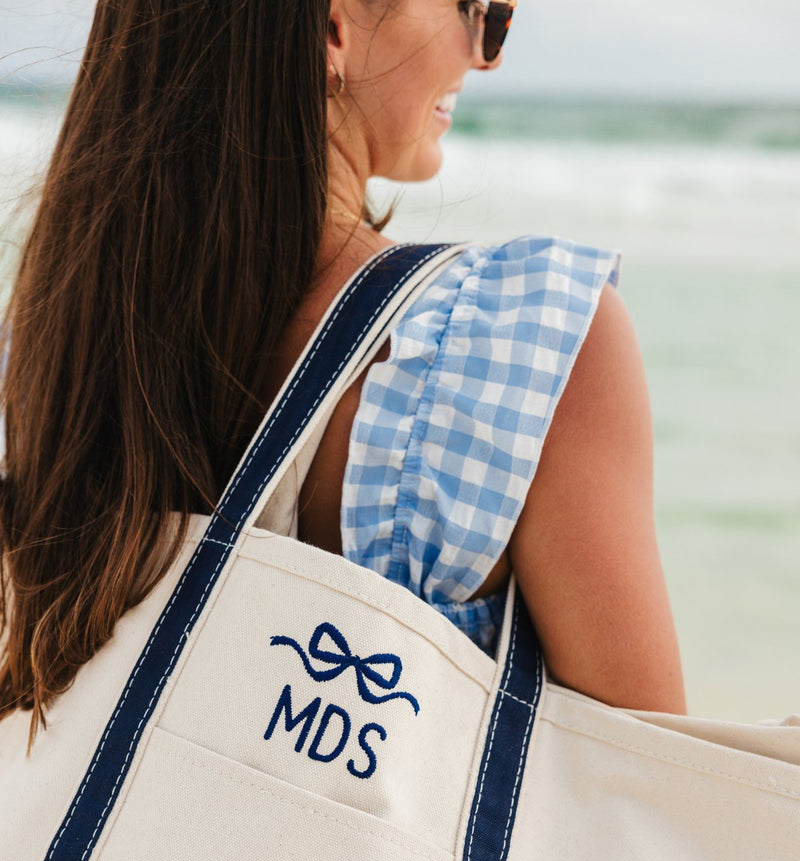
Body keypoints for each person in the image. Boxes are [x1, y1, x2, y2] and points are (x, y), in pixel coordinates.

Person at [0, 0, 685, 743]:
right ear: (332, 29)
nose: (484, 53)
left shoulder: (41, 353)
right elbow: (643, 790)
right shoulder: (529, 340)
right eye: (475, 9)